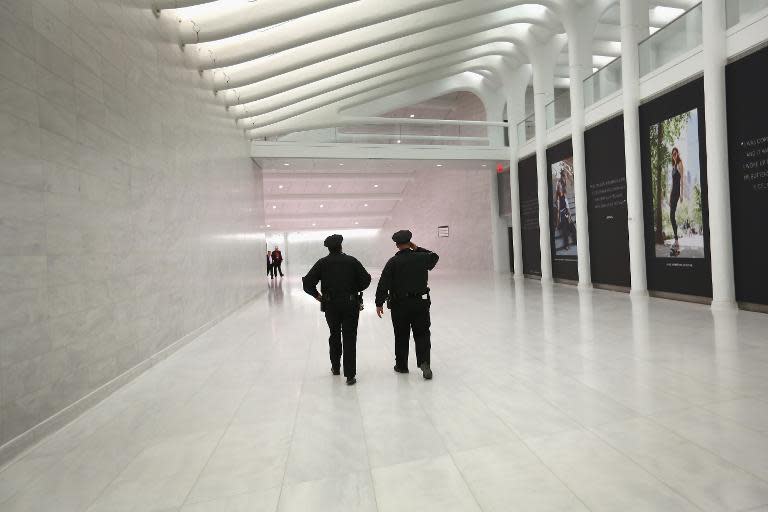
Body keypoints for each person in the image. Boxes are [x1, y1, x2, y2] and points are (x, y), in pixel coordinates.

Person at [302, 234, 371, 385]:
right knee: (349, 337)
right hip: (350, 304)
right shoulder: (352, 261)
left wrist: (318, 296)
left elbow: (307, 283)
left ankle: (335, 367)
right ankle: (350, 375)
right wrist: (354, 289)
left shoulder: (322, 263)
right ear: (341, 246)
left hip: (330, 306)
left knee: (334, 334)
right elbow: (366, 280)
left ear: (328, 248)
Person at [375, 230, 439, 380]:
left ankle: (402, 365)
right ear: (409, 242)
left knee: (401, 335)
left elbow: (383, 283)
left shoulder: (393, 262)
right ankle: (424, 363)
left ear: (396, 245)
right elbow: (434, 257)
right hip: (420, 303)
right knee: (422, 334)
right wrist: (417, 248)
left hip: (399, 305)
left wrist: (379, 303)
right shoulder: (422, 258)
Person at [669, 147, 685, 256]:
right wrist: (669, 197)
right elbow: (672, 183)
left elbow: (682, 180)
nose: (674, 155)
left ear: (678, 154)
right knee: (671, 216)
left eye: (675, 153)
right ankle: (676, 241)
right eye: (672, 154)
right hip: (672, 193)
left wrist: (682, 195)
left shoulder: (679, 164)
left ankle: (676, 241)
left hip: (677, 193)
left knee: (672, 215)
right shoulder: (673, 166)